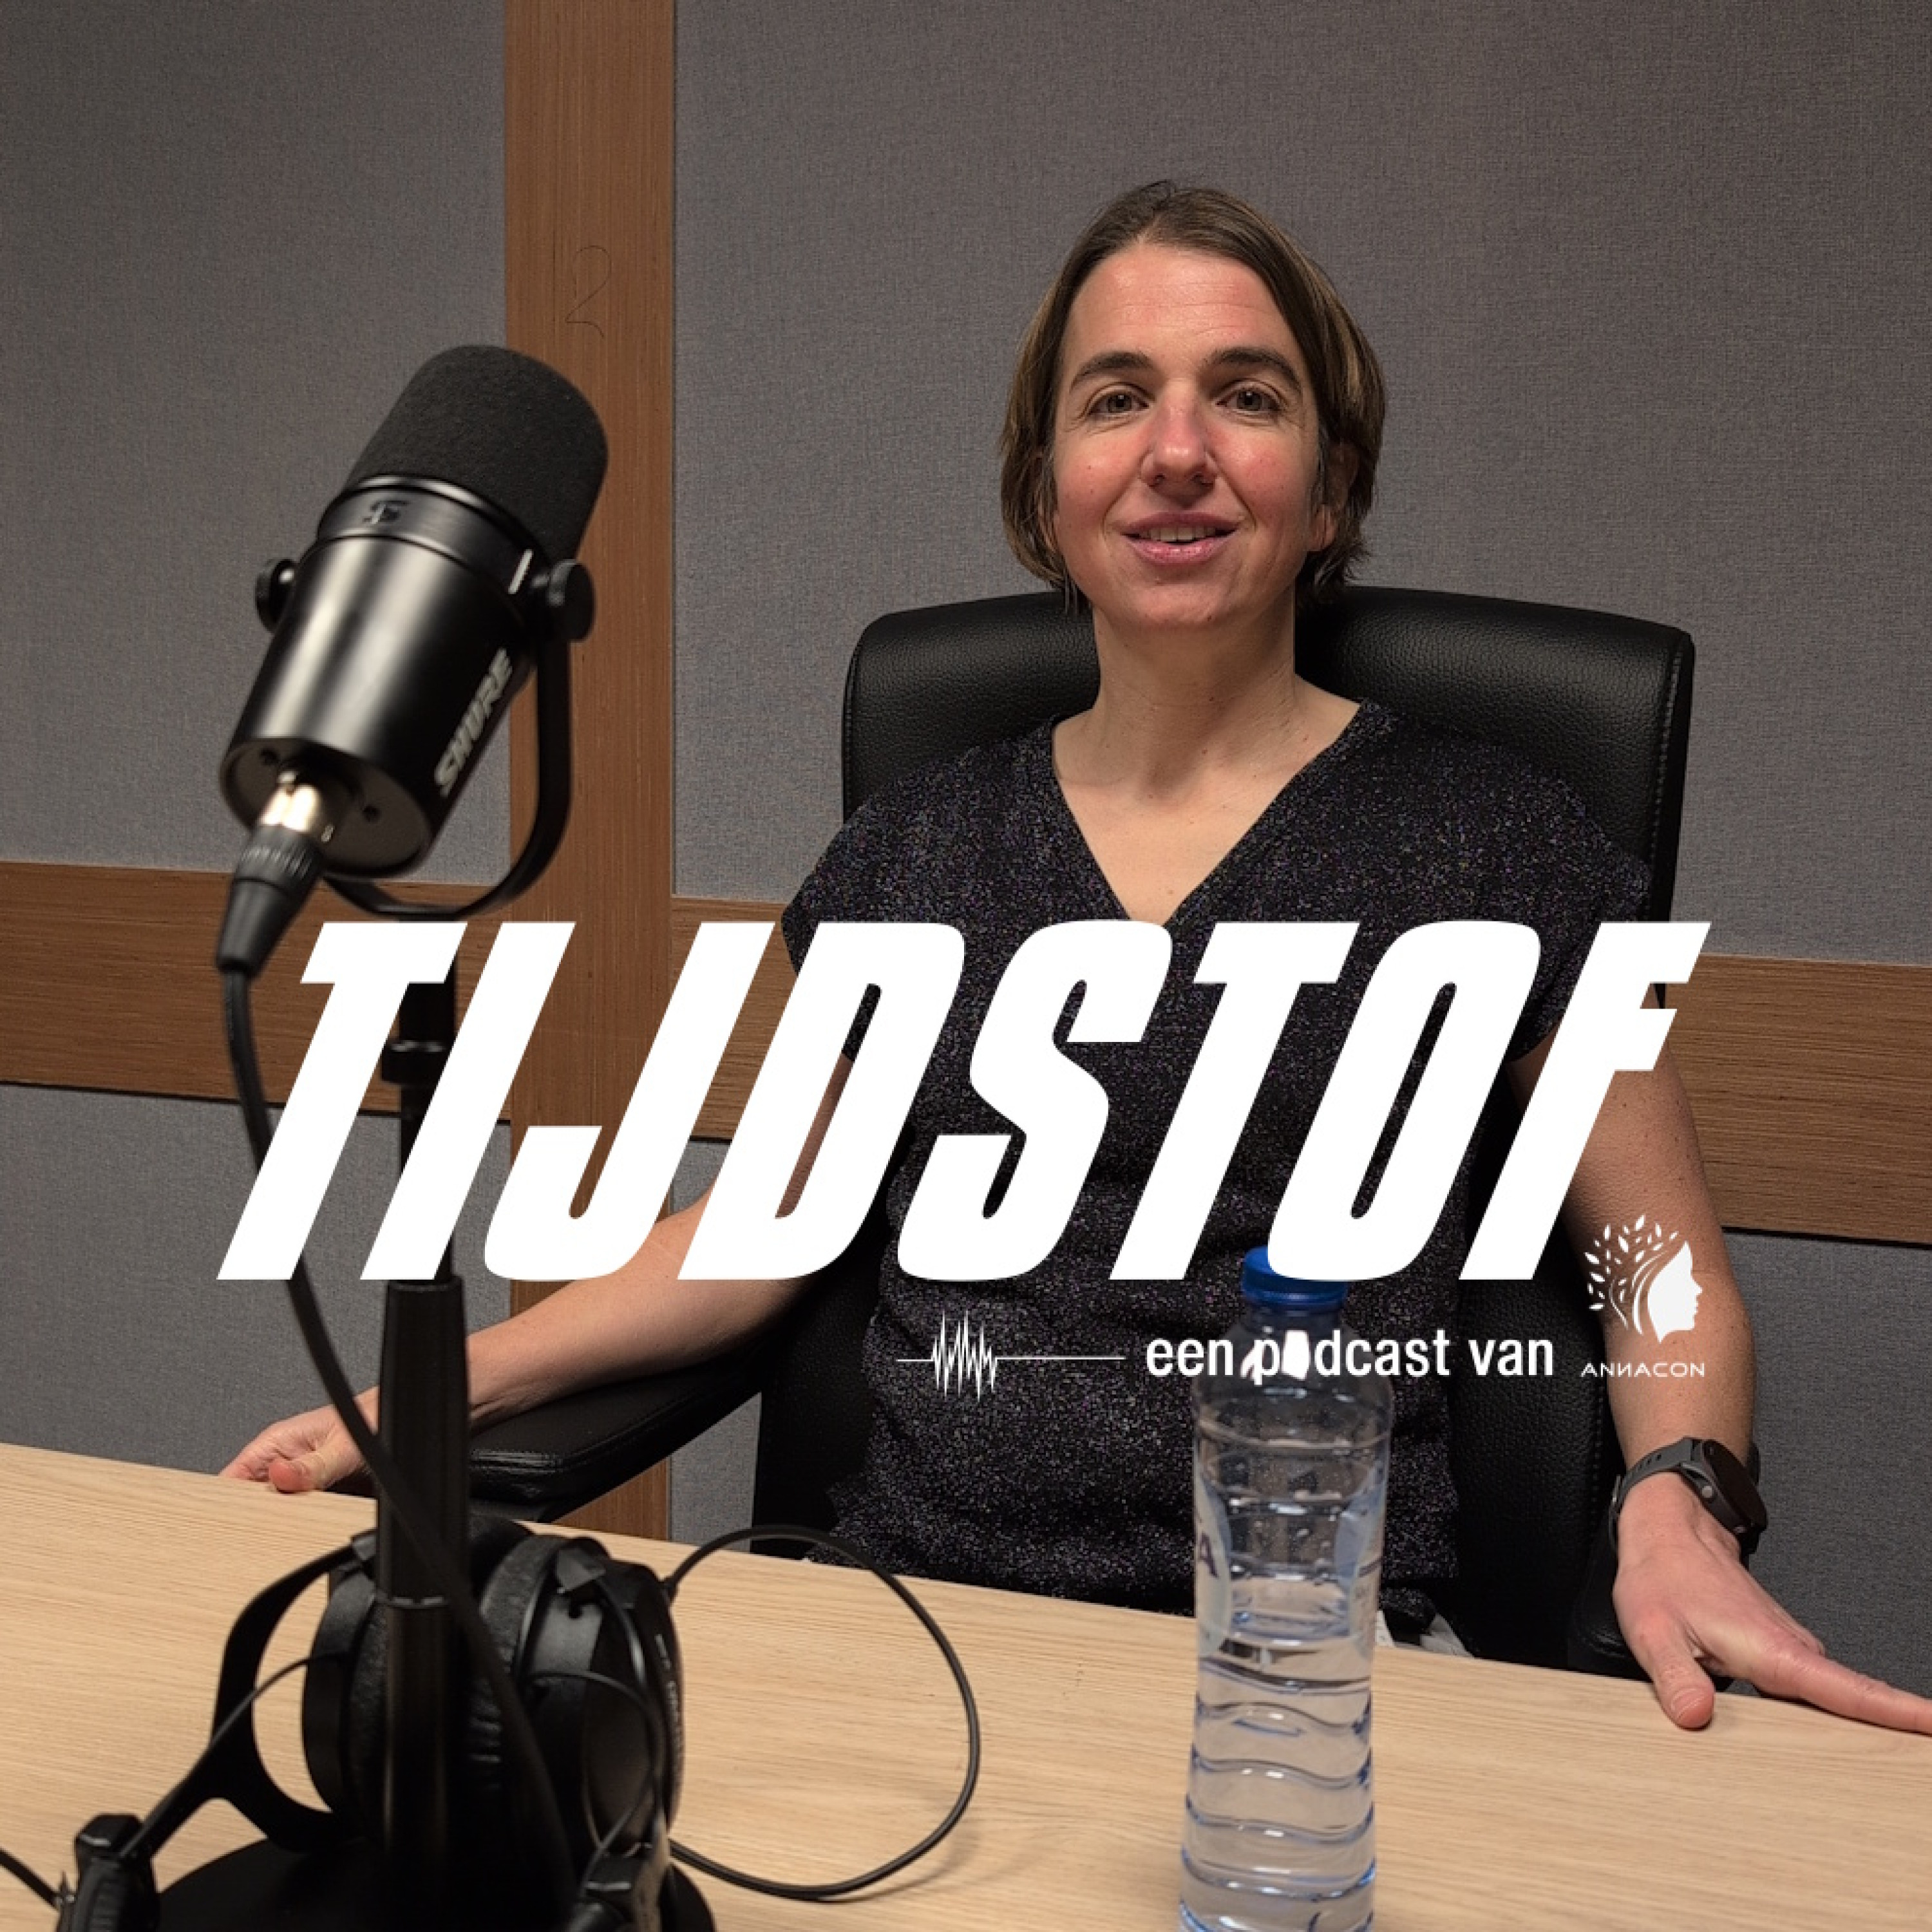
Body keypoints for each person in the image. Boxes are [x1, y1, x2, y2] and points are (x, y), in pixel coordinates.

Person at [227, 182, 1932, 1736]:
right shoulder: (918, 844)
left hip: (1303, 1659)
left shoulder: (1497, 837)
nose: (1177, 450)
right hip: (914, 1630)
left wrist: (1680, 1498)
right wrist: (423, 1400)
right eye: (1116, 400)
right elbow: (758, 1232)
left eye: (1245, 396)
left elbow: (1654, 1260)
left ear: (1332, 487)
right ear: (1046, 495)